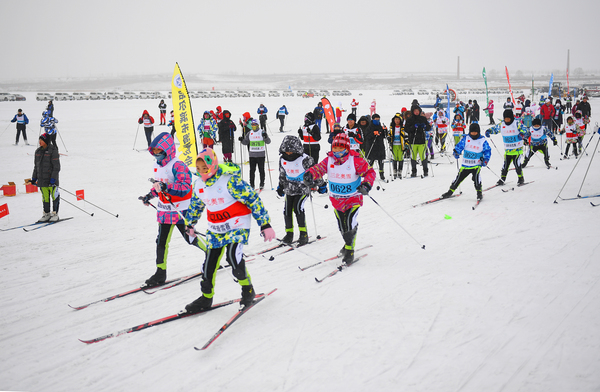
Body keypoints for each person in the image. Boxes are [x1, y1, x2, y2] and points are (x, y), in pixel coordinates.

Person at [184, 148, 276, 312]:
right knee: (209, 265)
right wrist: (190, 223)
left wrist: (265, 224)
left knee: (233, 257)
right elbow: (196, 205)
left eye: (205, 168)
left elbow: (253, 200)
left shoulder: (230, 181)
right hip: (215, 228)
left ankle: (247, 289)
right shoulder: (198, 184)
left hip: (236, 224)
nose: (202, 172)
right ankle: (206, 297)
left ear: (213, 164)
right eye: (198, 169)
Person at [140, 132, 209, 287]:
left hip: (180, 210)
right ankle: (160, 272)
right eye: (154, 152)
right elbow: (159, 186)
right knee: (161, 241)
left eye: (159, 151)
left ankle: (210, 254)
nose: (157, 155)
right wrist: (149, 195)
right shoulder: (156, 166)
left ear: (168, 149)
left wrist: (167, 187)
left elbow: (185, 188)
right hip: (165, 210)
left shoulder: (178, 165)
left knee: (189, 237)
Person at [303, 134, 376, 264]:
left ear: (347, 148)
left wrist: (367, 184)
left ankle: (349, 250)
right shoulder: (329, 160)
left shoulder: (355, 160)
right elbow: (318, 169)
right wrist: (310, 174)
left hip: (353, 199)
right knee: (342, 226)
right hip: (336, 200)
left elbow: (370, 172)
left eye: (340, 148)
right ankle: (348, 240)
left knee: (348, 222)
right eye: (334, 148)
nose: (336, 151)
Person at [276, 136, 325, 245]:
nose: (288, 153)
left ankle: (303, 234)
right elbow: (282, 174)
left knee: (298, 208)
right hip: (289, 188)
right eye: (286, 151)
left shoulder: (305, 159)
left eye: (291, 151)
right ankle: (289, 234)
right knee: (287, 210)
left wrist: (321, 185)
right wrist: (280, 186)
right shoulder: (282, 159)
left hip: (302, 188)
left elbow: (315, 173)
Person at [440, 123, 491, 201]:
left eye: (475, 133)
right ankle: (450, 191)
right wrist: (456, 152)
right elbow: (459, 146)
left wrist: (486, 159)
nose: (473, 134)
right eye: (472, 132)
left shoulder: (482, 140)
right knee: (458, 179)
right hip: (466, 164)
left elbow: (487, 150)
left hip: (476, 165)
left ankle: (479, 193)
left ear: (478, 132)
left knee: (476, 179)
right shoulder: (466, 138)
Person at [485, 109, 528, 185]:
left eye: (508, 118)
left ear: (511, 118)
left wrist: (522, 134)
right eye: (505, 118)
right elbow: (495, 129)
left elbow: (526, 130)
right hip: (508, 150)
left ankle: (521, 178)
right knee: (505, 165)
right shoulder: (502, 125)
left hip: (517, 149)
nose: (507, 120)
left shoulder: (517, 123)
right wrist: (488, 131)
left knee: (517, 164)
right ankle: (502, 179)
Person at [31, 133, 61, 222]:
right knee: (45, 197)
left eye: (42, 140)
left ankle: (55, 213)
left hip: (51, 180)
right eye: (39, 140)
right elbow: (36, 167)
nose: (40, 142)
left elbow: (57, 167)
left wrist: (53, 178)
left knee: (54, 196)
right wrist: (34, 178)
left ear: (46, 141)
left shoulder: (53, 150)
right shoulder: (38, 152)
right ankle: (46, 213)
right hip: (42, 180)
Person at [241, 119, 271, 190]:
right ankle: (252, 184)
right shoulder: (250, 133)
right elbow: (245, 142)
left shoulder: (262, 132)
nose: (253, 126)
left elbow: (268, 141)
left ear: (258, 125)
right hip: (252, 155)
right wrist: (241, 140)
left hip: (261, 155)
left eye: (254, 125)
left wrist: (266, 136)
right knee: (252, 170)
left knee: (261, 170)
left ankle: (262, 183)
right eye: (252, 125)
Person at [404, 104, 431, 177]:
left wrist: (425, 126)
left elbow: (428, 128)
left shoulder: (423, 119)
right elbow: (406, 129)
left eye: (417, 111)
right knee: (413, 156)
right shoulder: (409, 119)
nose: (416, 112)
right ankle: (414, 171)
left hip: (421, 140)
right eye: (415, 111)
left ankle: (425, 170)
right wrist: (413, 127)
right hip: (413, 141)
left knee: (423, 156)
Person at [363, 113, 387, 180]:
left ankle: (381, 174)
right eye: (376, 120)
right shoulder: (369, 127)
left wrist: (385, 130)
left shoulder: (380, 126)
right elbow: (366, 136)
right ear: (373, 120)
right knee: (371, 161)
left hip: (380, 146)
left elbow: (384, 136)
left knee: (381, 161)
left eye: (378, 120)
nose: (377, 121)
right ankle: (369, 173)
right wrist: (373, 133)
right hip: (372, 147)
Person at [388, 113, 408, 179]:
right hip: (394, 145)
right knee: (394, 158)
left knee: (401, 158)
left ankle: (400, 170)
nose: (397, 121)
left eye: (398, 119)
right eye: (395, 119)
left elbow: (406, 137)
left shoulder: (403, 128)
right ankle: (394, 170)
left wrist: (406, 145)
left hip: (400, 145)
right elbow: (389, 135)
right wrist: (388, 138)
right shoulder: (391, 128)